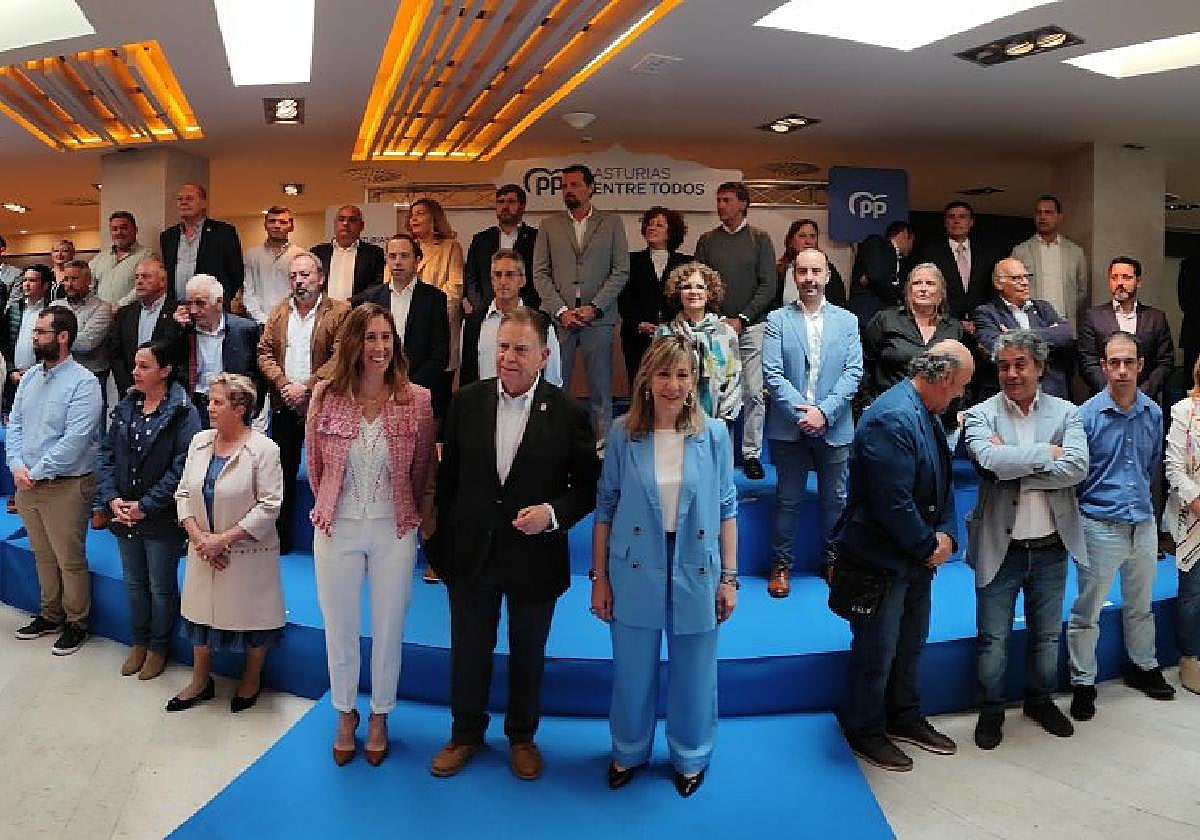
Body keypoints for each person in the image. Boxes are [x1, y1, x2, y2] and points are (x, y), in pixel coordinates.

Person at [428, 308, 599, 782]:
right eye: (503, 347)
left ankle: (522, 737)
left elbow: (588, 486)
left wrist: (552, 515)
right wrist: (440, 545)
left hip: (534, 556)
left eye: (521, 349)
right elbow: (448, 481)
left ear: (544, 356)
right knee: (468, 651)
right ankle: (465, 734)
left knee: (528, 654)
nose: (509, 357)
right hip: (472, 553)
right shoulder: (466, 402)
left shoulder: (568, 412)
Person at [590, 335, 738, 798]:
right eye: (664, 374)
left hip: (696, 565)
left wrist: (730, 577)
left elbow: (728, 505)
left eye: (683, 375)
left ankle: (690, 755)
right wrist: (600, 578)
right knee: (632, 670)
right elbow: (606, 507)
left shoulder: (713, 434)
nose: (673, 385)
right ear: (646, 380)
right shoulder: (622, 433)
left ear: (694, 381)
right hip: (634, 564)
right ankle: (628, 751)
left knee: (695, 672)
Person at [832, 340, 973, 772]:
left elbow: (944, 482)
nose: (961, 395)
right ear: (944, 377)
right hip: (881, 560)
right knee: (877, 652)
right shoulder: (891, 418)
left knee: (910, 646)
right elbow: (890, 501)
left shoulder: (925, 412)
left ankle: (904, 716)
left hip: (913, 559)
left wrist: (947, 533)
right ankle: (865, 729)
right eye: (961, 385)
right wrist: (929, 545)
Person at [307, 302, 436, 766]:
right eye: (370, 338)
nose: (379, 347)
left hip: (393, 528)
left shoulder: (417, 400)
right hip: (336, 527)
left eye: (386, 337)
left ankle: (380, 713)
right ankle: (346, 712)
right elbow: (315, 466)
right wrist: (333, 509)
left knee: (388, 629)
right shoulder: (324, 395)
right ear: (353, 345)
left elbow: (423, 471)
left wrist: (411, 516)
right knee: (339, 627)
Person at [963, 329, 1088, 750]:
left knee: (1047, 635)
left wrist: (1012, 463)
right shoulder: (980, 414)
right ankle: (991, 709)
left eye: (1020, 365)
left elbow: (1076, 469)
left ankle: (1039, 701)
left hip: (1052, 546)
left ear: (1039, 367)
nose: (1011, 373)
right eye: (1003, 366)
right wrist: (1046, 454)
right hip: (1002, 547)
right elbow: (987, 460)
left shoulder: (1067, 413)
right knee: (992, 639)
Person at [1069, 331, 1175, 721]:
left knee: (1141, 604)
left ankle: (1143, 666)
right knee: (1087, 610)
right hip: (1099, 524)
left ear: (1141, 365)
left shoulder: (1153, 412)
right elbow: (1078, 475)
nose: (1122, 370)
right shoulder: (1085, 416)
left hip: (1141, 523)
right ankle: (1083, 681)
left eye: (1129, 362)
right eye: (1114, 362)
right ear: (1103, 365)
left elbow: (1150, 468)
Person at [171, 373, 283, 713]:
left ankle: (251, 678)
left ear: (241, 408)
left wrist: (224, 540)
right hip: (203, 549)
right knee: (200, 619)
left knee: (252, 619)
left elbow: (270, 504)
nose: (209, 408)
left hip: (244, 552)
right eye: (210, 401)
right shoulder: (200, 441)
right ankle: (201, 680)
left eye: (217, 402)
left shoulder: (265, 449)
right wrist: (200, 539)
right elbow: (183, 493)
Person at [96, 340, 201, 680]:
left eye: (144, 366)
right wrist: (112, 499)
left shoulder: (185, 411)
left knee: (160, 586)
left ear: (166, 371)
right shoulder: (128, 403)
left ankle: (158, 646)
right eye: (135, 365)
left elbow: (182, 468)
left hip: (160, 517)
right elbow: (107, 454)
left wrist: (145, 506)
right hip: (123, 510)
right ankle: (139, 641)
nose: (135, 372)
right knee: (134, 584)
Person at [763, 248, 862, 598]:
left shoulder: (848, 322)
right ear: (794, 276)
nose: (809, 278)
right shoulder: (777, 320)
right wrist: (804, 412)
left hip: (834, 426)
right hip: (790, 426)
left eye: (815, 271)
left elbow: (854, 373)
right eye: (802, 271)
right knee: (787, 499)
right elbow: (772, 374)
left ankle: (833, 560)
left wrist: (825, 412)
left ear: (827, 276)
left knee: (835, 499)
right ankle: (781, 565)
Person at [8, 305, 103, 655]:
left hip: (65, 484)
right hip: (28, 481)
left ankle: (77, 622)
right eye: (34, 332)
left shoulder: (84, 383)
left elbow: (75, 440)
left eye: (42, 332)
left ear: (63, 337)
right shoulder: (31, 376)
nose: (35, 337)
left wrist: (34, 470)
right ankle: (50, 614)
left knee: (69, 558)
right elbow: (15, 424)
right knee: (43, 555)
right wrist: (17, 464)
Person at [257, 251, 350, 554]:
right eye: (294, 276)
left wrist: (307, 388)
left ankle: (330, 540)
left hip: (324, 405)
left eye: (305, 275)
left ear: (320, 278)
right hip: (285, 405)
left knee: (329, 473)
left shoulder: (340, 312)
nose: (299, 281)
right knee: (282, 473)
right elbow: (264, 352)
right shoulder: (278, 311)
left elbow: (341, 357)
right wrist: (284, 384)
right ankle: (281, 538)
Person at [533, 163, 630, 448]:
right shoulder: (549, 225)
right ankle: (554, 443)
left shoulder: (611, 223)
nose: (568, 190)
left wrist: (594, 307)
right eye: (564, 186)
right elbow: (540, 272)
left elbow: (621, 270)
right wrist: (561, 311)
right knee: (552, 386)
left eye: (574, 185)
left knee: (601, 390)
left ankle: (602, 449)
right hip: (560, 320)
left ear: (590, 188)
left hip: (598, 319)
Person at [693, 181, 776, 479]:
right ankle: (720, 454)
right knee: (717, 392)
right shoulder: (706, 241)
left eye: (726, 200)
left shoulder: (760, 239)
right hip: (714, 328)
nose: (720, 206)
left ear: (742, 204)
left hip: (753, 327)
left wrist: (743, 317)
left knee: (753, 392)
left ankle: (752, 454)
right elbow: (699, 284)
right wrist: (717, 319)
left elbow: (768, 285)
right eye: (718, 200)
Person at [352, 233, 450, 415]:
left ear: (417, 260)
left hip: (419, 392)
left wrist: (407, 386)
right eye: (392, 256)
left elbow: (439, 356)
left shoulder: (435, 299)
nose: (397, 262)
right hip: (375, 394)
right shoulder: (370, 299)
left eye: (404, 256)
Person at [972, 257, 1075, 400]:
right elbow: (993, 346)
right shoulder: (986, 313)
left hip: (1050, 390)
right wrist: (1046, 335)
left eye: (1026, 277)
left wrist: (1016, 335)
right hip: (1009, 393)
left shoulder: (1043, 307)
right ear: (998, 283)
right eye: (1016, 278)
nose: (1025, 283)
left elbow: (1065, 334)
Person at [861, 263, 964, 401]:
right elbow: (864, 364)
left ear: (941, 292)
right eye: (917, 283)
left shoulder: (953, 327)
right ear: (908, 290)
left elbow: (961, 373)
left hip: (940, 413)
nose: (923, 289)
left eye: (930, 283)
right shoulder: (885, 320)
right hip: (890, 409)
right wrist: (869, 403)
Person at [459, 249, 562, 388]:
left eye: (510, 275)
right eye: (497, 275)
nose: (503, 281)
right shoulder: (472, 324)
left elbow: (553, 378)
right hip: (483, 405)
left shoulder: (540, 323)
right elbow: (466, 376)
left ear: (522, 280)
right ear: (491, 280)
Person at [654, 262, 741, 425]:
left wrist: (721, 421)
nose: (694, 292)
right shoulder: (664, 334)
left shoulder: (726, 334)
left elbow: (734, 379)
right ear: (678, 293)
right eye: (686, 287)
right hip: (673, 421)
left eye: (700, 287)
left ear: (709, 293)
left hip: (718, 422)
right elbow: (658, 380)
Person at [1077, 256, 1174, 400]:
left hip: (1145, 401)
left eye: (1126, 277)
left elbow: (1165, 362)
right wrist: (1112, 393)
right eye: (1114, 277)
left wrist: (1141, 394)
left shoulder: (1156, 318)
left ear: (1138, 281)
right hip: (1105, 401)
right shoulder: (1093, 317)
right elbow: (1088, 362)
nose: (1120, 283)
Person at [174, 274, 263, 427]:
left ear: (219, 301)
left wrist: (253, 408)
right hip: (194, 405)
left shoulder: (245, 330)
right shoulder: (183, 330)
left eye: (200, 303)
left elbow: (258, 374)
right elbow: (167, 365)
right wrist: (176, 330)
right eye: (189, 304)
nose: (194, 310)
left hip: (232, 407)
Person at [617, 206, 691, 383]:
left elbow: (687, 300)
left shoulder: (686, 263)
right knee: (639, 386)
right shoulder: (630, 261)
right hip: (637, 337)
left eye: (659, 225)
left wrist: (675, 325)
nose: (652, 228)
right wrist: (638, 323)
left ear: (671, 232)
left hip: (674, 336)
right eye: (649, 224)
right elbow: (623, 298)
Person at [1164, 355, 1200, 695]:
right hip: (1194, 515)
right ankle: (1190, 659)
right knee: (1193, 591)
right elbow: (1173, 467)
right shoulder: (1183, 411)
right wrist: (1195, 500)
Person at [407, 198, 465, 405]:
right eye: (412, 214)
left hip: (440, 332)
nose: (414, 218)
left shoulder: (451, 247)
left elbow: (455, 290)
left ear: (435, 218)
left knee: (437, 401)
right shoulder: (405, 249)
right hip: (407, 335)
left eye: (420, 213)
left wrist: (428, 318)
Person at [107, 257, 182, 399]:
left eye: (146, 277)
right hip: (130, 391)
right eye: (137, 277)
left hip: (167, 392)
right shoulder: (125, 313)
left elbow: (179, 353)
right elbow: (115, 353)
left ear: (163, 281)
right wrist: (128, 386)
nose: (139, 281)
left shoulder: (178, 311)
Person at [160, 183, 244, 304]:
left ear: (204, 203)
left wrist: (222, 301)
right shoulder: (168, 236)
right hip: (177, 309)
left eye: (189, 199)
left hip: (211, 308)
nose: (183, 202)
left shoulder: (224, 232)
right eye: (180, 199)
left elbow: (236, 274)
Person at [1011, 195, 1089, 324]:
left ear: (1059, 217)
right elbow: (1012, 288)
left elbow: (1082, 290)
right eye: (1039, 212)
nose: (1042, 217)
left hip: (1065, 323)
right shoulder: (1020, 251)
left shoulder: (1075, 252)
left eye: (1048, 212)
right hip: (1033, 324)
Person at [464, 184, 539, 312]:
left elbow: (541, 276)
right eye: (500, 202)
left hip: (527, 312)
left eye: (511, 202)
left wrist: (530, 307)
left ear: (522, 206)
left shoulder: (536, 238)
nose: (505, 206)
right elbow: (471, 278)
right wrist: (481, 307)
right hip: (488, 311)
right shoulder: (481, 240)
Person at [917, 201, 995, 324]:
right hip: (943, 323)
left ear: (971, 222)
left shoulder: (987, 254)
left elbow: (992, 291)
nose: (956, 221)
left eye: (962, 217)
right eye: (951, 217)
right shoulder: (930, 254)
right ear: (945, 222)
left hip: (980, 324)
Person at [242, 205, 307, 325]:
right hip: (258, 323)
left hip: (292, 322)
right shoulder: (251, 255)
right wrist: (263, 320)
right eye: (272, 221)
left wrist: (291, 319)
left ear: (291, 226)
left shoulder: (301, 255)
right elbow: (248, 292)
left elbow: (302, 291)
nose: (277, 226)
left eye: (283, 222)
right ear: (265, 225)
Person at [1, 264, 50, 417]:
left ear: (45, 285)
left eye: (32, 281)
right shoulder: (14, 309)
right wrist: (11, 371)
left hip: (42, 376)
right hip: (14, 378)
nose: (26, 285)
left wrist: (35, 370)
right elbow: (4, 345)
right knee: (12, 421)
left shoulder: (52, 310)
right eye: (25, 280)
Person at [60, 260, 114, 395]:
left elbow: (86, 343)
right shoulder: (55, 306)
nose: (69, 284)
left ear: (88, 281)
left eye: (74, 279)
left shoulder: (102, 308)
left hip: (91, 376)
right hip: (60, 375)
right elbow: (41, 337)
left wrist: (53, 340)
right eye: (66, 279)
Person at [312, 204, 386, 301]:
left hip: (358, 313)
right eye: (341, 219)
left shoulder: (374, 254)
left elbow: (375, 288)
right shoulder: (317, 253)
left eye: (352, 220)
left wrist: (351, 303)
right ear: (335, 224)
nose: (346, 223)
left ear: (362, 226)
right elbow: (311, 283)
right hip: (323, 312)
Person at [848, 220, 914, 326]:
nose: (911, 247)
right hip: (867, 313)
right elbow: (875, 274)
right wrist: (894, 296)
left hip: (886, 317)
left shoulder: (902, 263)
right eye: (911, 241)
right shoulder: (876, 242)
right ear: (904, 234)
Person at [777, 219, 846, 308]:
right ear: (790, 241)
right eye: (802, 236)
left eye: (812, 236)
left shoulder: (828, 268)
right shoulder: (779, 270)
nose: (808, 241)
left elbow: (839, 303)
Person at [89, 211, 152, 307]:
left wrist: (119, 306)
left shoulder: (147, 255)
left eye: (124, 228)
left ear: (136, 230)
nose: (119, 232)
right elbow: (89, 285)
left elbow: (144, 285)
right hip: (101, 315)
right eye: (114, 229)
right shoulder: (99, 258)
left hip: (131, 314)